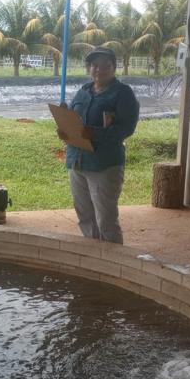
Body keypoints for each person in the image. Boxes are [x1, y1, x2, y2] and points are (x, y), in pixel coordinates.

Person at [57, 47, 140, 244]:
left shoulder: (123, 93)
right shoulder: (84, 91)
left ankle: (114, 264)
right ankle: (94, 259)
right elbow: (74, 120)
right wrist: (64, 130)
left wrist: (95, 133)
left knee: (106, 219)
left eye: (105, 65)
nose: (98, 70)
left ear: (114, 68)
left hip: (104, 164)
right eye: (94, 65)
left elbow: (126, 128)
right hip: (77, 162)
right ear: (89, 68)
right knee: (85, 216)